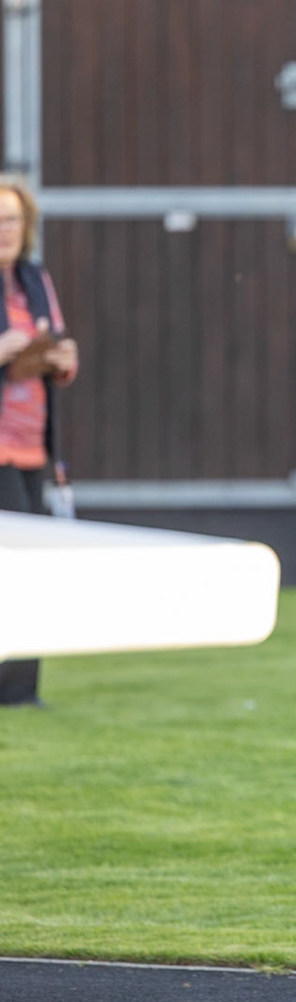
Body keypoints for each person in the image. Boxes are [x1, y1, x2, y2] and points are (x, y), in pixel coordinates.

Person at [0, 176, 79, 708]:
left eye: (11, 220)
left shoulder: (33, 279)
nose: (4, 230)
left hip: (32, 446)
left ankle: (21, 690)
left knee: (32, 568)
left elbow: (54, 342)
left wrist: (64, 361)